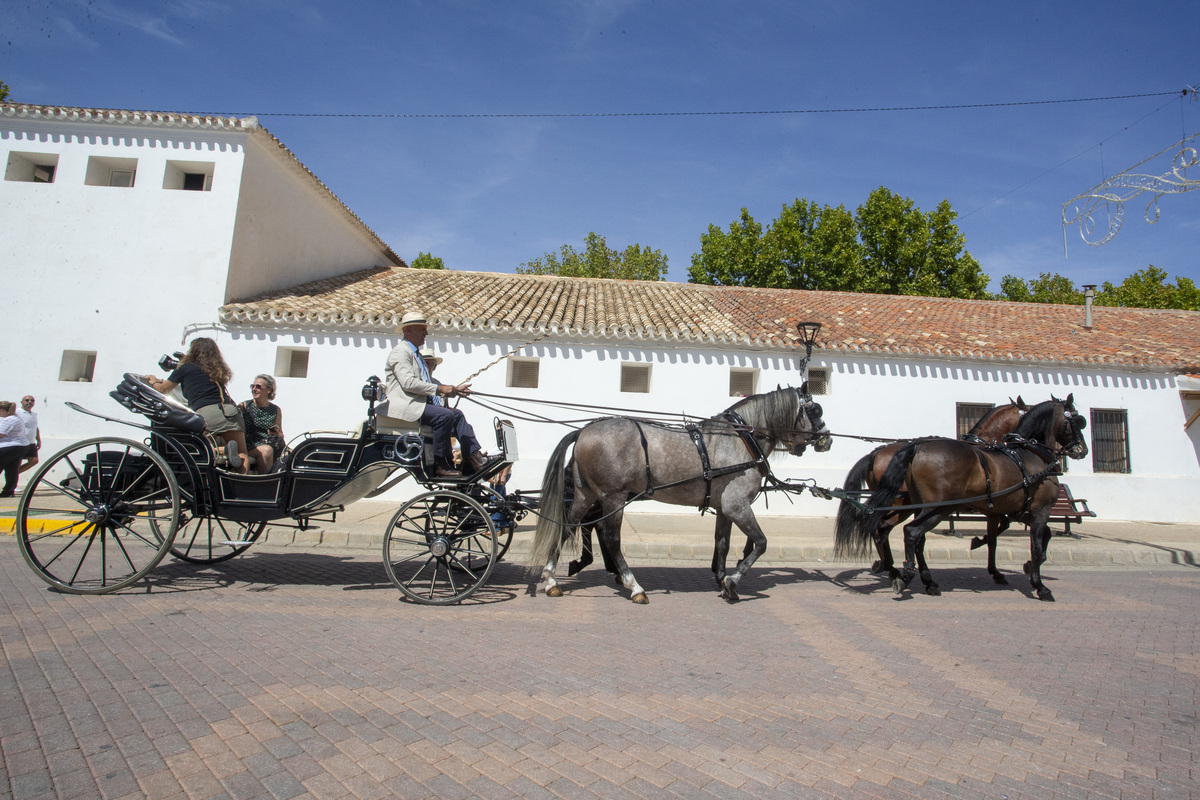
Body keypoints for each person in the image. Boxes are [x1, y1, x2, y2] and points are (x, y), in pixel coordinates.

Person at [382, 311, 499, 478]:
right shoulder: (401, 352)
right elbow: (408, 383)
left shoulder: (416, 355)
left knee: (456, 414)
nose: (426, 333)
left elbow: (428, 385)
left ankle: (476, 458)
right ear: (408, 330)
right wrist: (441, 389)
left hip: (419, 404)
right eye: (422, 329)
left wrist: (455, 391)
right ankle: (440, 463)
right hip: (407, 406)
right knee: (443, 416)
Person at [146, 337, 249, 473]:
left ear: (193, 351)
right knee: (242, 454)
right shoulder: (217, 370)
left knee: (199, 448)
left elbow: (163, 389)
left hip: (206, 412)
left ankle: (223, 451)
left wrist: (153, 381)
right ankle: (242, 484)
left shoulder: (185, 368)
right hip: (230, 411)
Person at [238, 374, 285, 475]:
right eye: (252, 386)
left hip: (269, 443)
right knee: (266, 450)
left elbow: (281, 434)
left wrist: (277, 433)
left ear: (269, 390)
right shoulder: (244, 406)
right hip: (249, 444)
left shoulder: (275, 410)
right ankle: (263, 484)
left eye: (258, 387)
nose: (254, 389)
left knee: (291, 452)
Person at [0, 401, 30, 497]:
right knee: (12, 470)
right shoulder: (17, 418)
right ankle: (8, 491)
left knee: (10, 469)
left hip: (8, 447)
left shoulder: (9, 419)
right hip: (20, 447)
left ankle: (8, 491)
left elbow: (1, 434)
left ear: (2, 410)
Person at [16, 395, 41, 478]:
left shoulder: (34, 414)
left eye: (32, 400)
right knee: (16, 463)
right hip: (20, 443)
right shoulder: (17, 413)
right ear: (22, 402)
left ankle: (13, 475)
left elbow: (35, 427)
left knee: (34, 461)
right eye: (27, 400)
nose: (29, 402)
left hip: (30, 443)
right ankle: (12, 483)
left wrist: (38, 440)